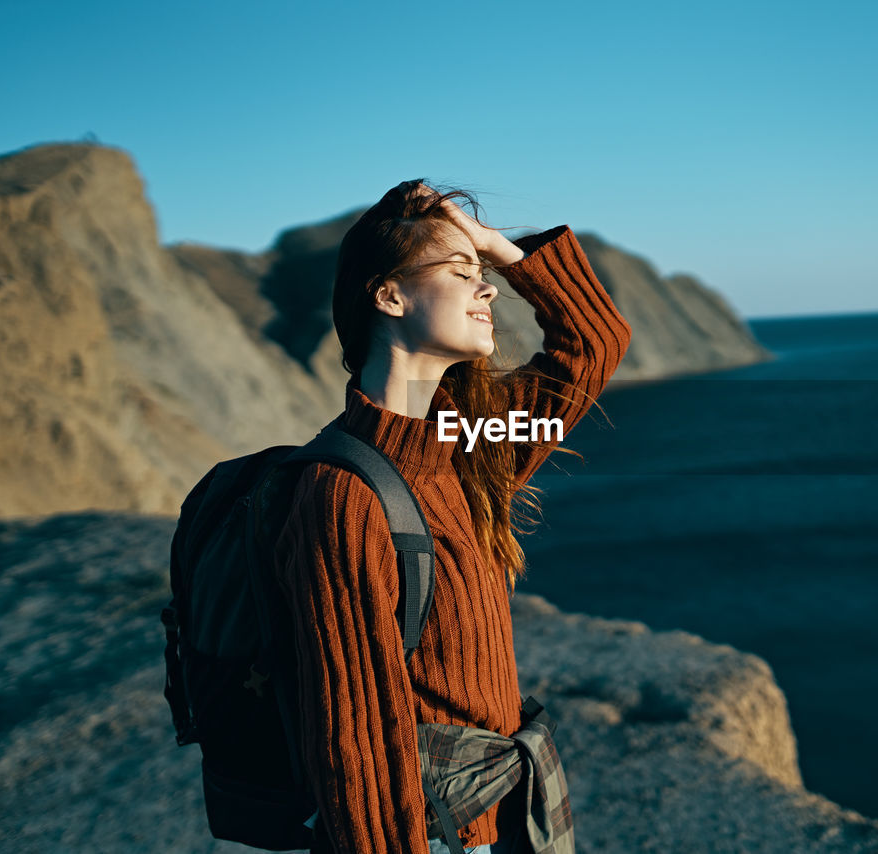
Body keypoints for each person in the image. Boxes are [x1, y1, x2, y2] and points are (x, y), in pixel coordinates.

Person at [271, 179, 633, 854]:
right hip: (436, 838)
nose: (487, 287)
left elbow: (594, 341)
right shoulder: (343, 493)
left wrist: (494, 247)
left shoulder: (467, 444)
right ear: (389, 295)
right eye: (463, 273)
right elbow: (357, 751)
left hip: (504, 824)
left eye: (485, 274)